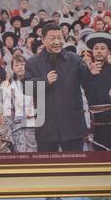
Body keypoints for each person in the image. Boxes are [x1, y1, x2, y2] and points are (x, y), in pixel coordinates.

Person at [22, 20, 89, 152]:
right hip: (46, 128)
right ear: (43, 39)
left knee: (75, 167)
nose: (57, 42)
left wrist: (91, 72)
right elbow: (27, 89)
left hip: (72, 126)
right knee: (47, 168)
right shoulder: (33, 63)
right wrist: (44, 81)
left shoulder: (75, 60)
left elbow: (89, 83)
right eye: (53, 38)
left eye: (60, 38)